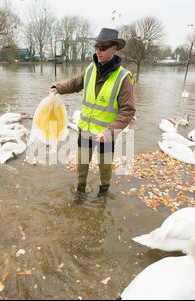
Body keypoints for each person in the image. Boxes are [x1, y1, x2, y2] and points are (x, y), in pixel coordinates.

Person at [50, 28, 136, 197]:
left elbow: (128, 111)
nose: (98, 51)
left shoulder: (123, 78)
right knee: (82, 163)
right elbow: (75, 83)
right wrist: (58, 88)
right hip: (85, 130)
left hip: (106, 134)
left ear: (114, 48)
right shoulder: (91, 69)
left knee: (105, 166)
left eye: (103, 47)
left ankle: (103, 193)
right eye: (96, 47)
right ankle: (80, 192)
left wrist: (110, 131)